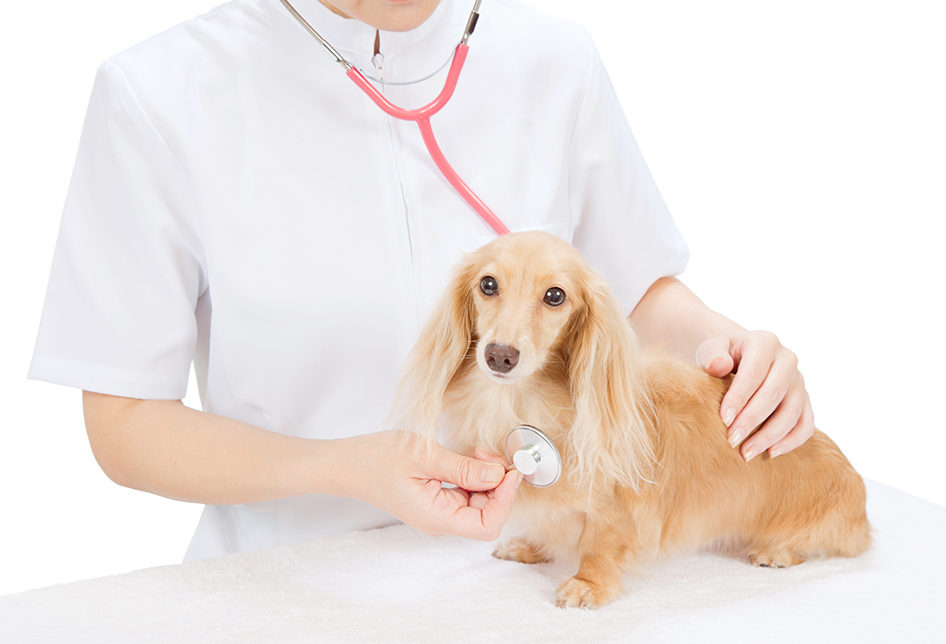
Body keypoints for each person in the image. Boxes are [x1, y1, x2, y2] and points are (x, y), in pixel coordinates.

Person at [30, 0, 814, 560]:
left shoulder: (555, 61)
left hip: (541, 575)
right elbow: (126, 419)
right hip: (288, 594)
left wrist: (726, 350)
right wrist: (342, 466)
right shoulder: (159, 94)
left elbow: (634, 295)